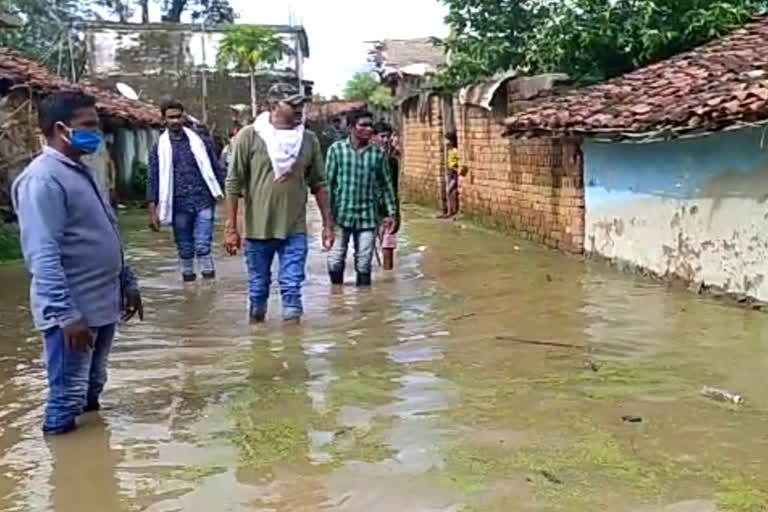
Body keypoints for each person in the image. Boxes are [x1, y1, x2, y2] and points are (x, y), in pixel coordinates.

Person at [11, 91, 144, 435]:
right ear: (60, 128)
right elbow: (42, 254)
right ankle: (64, 466)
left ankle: (94, 466)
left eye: (96, 125)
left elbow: (107, 230)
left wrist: (127, 282)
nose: (95, 133)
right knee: (66, 395)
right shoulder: (43, 180)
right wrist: (66, 315)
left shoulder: (83, 171)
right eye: (87, 126)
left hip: (102, 302)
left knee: (93, 384)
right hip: (72, 311)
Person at [223, 83, 334, 323]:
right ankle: (258, 345)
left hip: (294, 229)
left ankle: (294, 351)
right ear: (273, 106)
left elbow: (319, 184)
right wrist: (232, 228)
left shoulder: (308, 140)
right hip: (257, 231)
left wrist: (328, 224)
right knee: (258, 290)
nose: (298, 110)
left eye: (300, 105)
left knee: (292, 288)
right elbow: (233, 184)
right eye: (292, 104)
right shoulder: (249, 137)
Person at [146, 100, 225, 282]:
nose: (175, 121)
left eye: (178, 116)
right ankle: (189, 287)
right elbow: (153, 179)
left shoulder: (201, 143)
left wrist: (226, 198)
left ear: (184, 117)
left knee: (203, 246)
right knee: (185, 247)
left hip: (204, 200)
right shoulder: (159, 148)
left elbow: (215, 169)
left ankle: (209, 289)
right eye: (170, 117)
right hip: (177, 204)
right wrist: (152, 211)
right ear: (164, 120)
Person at [326, 110, 397, 286]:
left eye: (370, 125)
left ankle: (365, 305)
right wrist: (327, 217)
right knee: (335, 260)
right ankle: (337, 297)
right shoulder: (336, 150)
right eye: (363, 125)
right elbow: (328, 184)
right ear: (351, 127)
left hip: (368, 216)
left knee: (364, 263)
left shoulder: (378, 154)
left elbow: (385, 186)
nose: (368, 129)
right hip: (341, 215)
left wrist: (391, 213)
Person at [372, 121, 400, 271]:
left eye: (388, 137)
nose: (386, 140)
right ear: (373, 138)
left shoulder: (393, 162)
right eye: (382, 136)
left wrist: (395, 213)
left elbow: (394, 189)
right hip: (369, 209)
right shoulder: (366, 160)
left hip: (388, 210)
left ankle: (388, 275)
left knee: (388, 246)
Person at [441, 132, 460, 219]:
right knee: (450, 192)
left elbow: (457, 163)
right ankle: (450, 210)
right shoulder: (450, 151)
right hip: (450, 173)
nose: (445, 142)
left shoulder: (455, 151)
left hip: (454, 174)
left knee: (449, 191)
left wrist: (456, 169)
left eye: (446, 140)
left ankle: (451, 211)